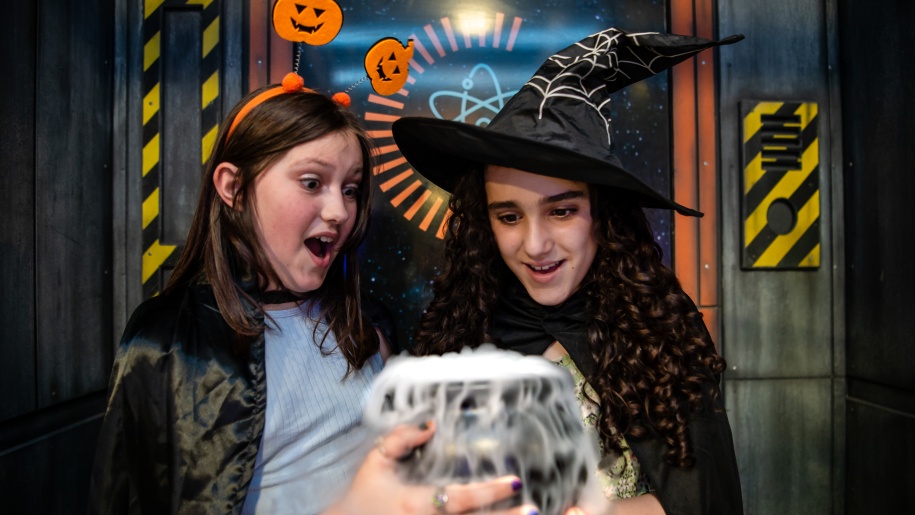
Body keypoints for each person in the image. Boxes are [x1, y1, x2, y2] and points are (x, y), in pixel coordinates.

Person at [88, 73, 540, 515]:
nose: (340, 210)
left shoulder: (369, 327)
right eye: (311, 183)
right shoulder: (169, 341)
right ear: (233, 187)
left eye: (351, 189)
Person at [392, 28, 745, 515]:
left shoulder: (659, 329)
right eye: (509, 216)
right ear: (484, 223)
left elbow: (705, 497)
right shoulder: (458, 331)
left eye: (562, 212)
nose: (535, 246)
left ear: (604, 216)